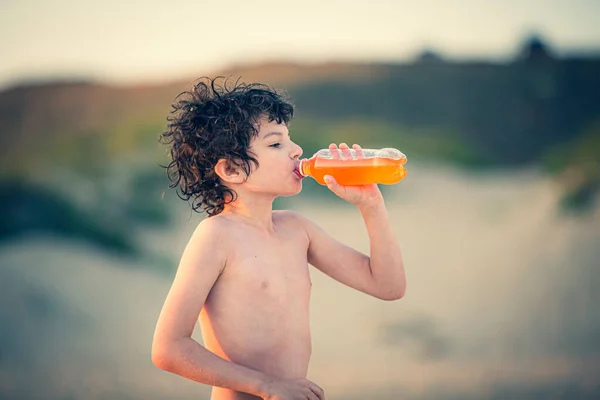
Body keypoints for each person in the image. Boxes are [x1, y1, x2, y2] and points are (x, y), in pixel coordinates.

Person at [152, 77, 406, 400]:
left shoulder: (297, 230)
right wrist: (267, 386)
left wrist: (371, 205)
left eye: (290, 139)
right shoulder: (216, 237)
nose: (297, 150)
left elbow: (388, 286)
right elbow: (168, 348)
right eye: (276, 144)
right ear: (231, 170)